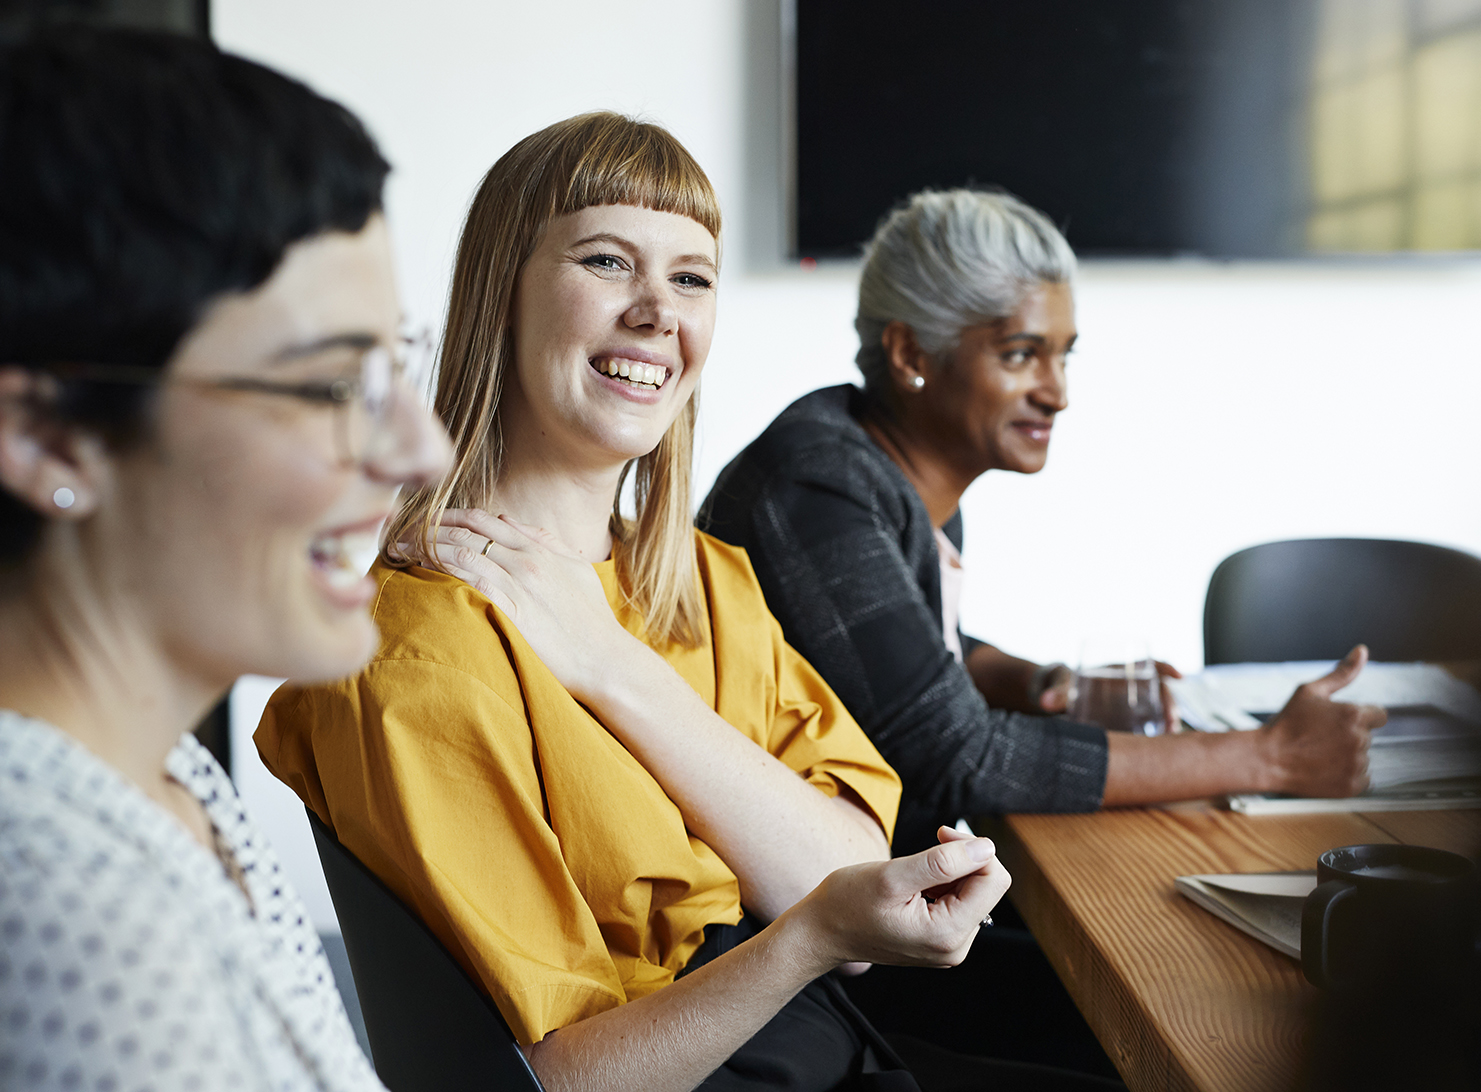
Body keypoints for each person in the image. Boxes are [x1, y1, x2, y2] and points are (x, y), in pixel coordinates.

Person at [253, 115, 1126, 1092]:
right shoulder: (413, 655)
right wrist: (804, 939)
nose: (656, 312)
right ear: (501, 289)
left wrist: (615, 672)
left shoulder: (706, 582)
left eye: (690, 277)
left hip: (834, 1051)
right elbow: (569, 1080)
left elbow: (840, 863)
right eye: (605, 261)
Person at [0, 29, 451, 1091]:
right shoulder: (61, 902)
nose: (420, 452)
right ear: (49, 437)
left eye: (393, 365)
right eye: (328, 386)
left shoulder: (166, 776)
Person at [699, 188, 1387, 857]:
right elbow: (956, 757)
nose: (1056, 393)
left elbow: (901, 658)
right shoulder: (818, 488)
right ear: (910, 355)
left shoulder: (883, 471)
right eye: (1020, 354)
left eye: (1063, 354)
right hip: (805, 945)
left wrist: (1043, 684)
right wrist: (1266, 756)